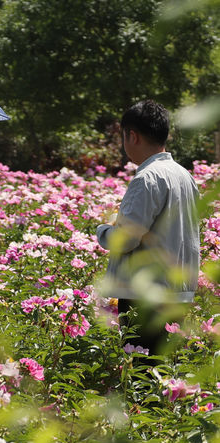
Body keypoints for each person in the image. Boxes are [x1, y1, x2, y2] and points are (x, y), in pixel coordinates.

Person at [96, 100, 200, 354]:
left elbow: (127, 239)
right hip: (178, 292)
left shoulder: (148, 177)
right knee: (165, 379)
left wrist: (104, 230)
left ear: (132, 136)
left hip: (145, 296)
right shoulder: (184, 175)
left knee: (142, 372)